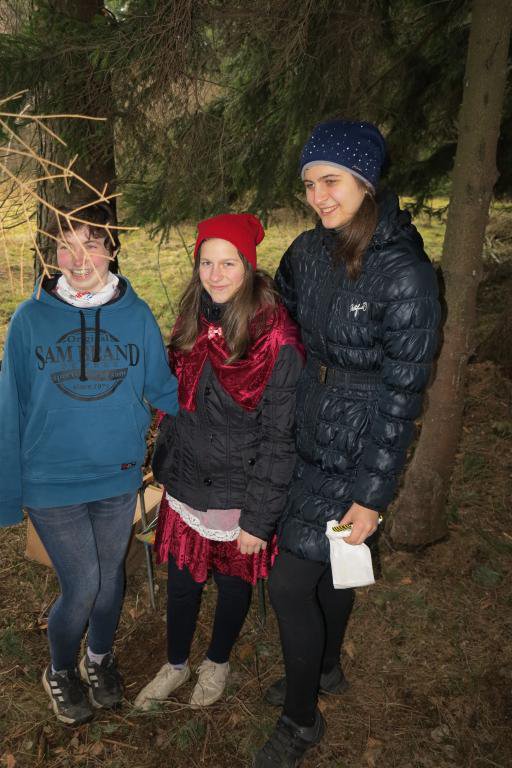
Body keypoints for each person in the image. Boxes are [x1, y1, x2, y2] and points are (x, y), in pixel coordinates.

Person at [254, 120, 441, 767]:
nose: (318, 197)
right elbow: (275, 318)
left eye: (330, 181)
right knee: (333, 567)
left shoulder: (406, 273)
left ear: (365, 181)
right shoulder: (308, 251)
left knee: (288, 584)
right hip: (308, 427)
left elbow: (402, 395)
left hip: (359, 444)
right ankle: (325, 667)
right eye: (309, 184)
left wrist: (371, 494)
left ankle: (301, 721)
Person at [0, 202, 179, 726]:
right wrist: (9, 492)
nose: (78, 259)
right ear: (51, 252)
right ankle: (59, 668)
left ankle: (97, 659)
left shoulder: (136, 316)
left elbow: (163, 389)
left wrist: (228, 396)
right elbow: (9, 407)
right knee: (83, 585)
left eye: (92, 244)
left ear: (112, 249)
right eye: (65, 246)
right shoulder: (30, 319)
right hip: (50, 479)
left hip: (117, 476)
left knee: (110, 579)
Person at [134, 213, 304, 711]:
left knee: (233, 584)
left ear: (248, 265)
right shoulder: (193, 316)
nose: (215, 274)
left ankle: (217, 661)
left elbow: (280, 437)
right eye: (206, 262)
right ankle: (176, 663)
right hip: (187, 482)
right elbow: (173, 395)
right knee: (181, 584)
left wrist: (258, 519)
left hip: (239, 492)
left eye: (228, 262)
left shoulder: (276, 338)